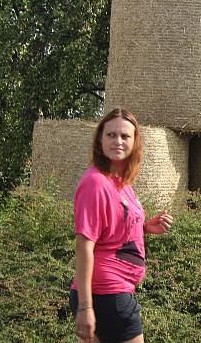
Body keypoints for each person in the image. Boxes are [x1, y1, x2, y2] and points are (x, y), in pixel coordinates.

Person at [70, 107, 174, 343]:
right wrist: (85, 308)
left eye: (125, 136)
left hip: (112, 292)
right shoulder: (95, 183)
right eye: (111, 135)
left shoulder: (121, 183)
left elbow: (112, 231)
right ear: (100, 139)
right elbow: (84, 246)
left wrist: (145, 228)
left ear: (135, 142)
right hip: (107, 293)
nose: (118, 141)